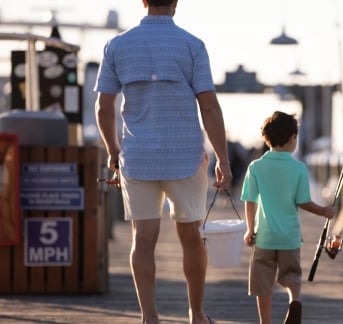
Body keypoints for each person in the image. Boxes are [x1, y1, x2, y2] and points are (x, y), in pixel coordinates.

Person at [94, 1, 231, 323]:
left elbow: (103, 107)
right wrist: (223, 158)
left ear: (143, 1)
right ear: (176, 2)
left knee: (143, 239)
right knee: (191, 235)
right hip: (185, 155)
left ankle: (149, 317)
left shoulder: (117, 45)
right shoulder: (192, 45)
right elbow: (209, 107)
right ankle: (196, 315)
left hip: (137, 156)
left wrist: (113, 151)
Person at [240, 111, 336, 324]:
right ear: (292, 138)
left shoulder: (256, 167)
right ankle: (295, 301)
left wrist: (249, 229)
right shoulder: (298, 168)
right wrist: (324, 211)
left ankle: (266, 322)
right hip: (289, 238)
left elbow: (250, 200)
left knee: (262, 284)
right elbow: (303, 202)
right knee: (292, 275)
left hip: (264, 237)